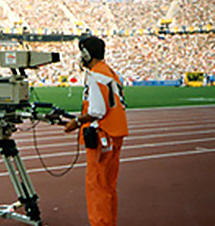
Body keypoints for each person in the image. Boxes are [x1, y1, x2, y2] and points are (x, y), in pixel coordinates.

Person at [64, 36, 128, 226]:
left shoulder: (95, 75)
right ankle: (108, 222)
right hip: (114, 133)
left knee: (97, 187)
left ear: (86, 53)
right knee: (108, 186)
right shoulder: (109, 72)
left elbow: (96, 111)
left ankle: (100, 223)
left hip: (101, 136)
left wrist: (76, 122)